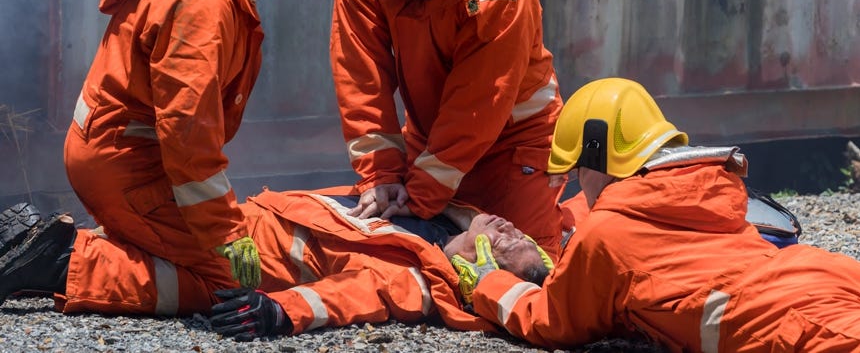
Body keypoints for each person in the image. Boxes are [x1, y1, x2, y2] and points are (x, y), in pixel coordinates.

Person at [51, 0, 338, 315]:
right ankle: (63, 265)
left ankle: (102, 245)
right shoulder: (203, 1)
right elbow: (188, 136)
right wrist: (225, 236)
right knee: (240, 281)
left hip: (124, 160)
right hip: (129, 170)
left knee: (224, 255)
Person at [463, 77, 860, 352]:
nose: (578, 186)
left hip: (795, 324)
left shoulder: (607, 232)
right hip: (825, 276)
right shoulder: (712, 190)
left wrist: (488, 283)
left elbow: (549, 321)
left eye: (577, 173)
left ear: (598, 158)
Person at [329, 0, 565, 260]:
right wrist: (381, 175)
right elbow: (360, 75)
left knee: (530, 269)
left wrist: (419, 198)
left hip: (514, 144)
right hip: (431, 142)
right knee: (425, 257)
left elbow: (479, 104)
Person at [0, 187, 552, 341]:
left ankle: (53, 256)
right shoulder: (437, 214)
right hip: (253, 223)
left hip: (248, 259)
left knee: (164, 281)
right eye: (516, 230)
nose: (508, 228)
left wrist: (278, 314)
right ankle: (50, 252)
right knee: (149, 254)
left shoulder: (418, 279)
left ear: (479, 267)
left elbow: (353, 297)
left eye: (509, 245)